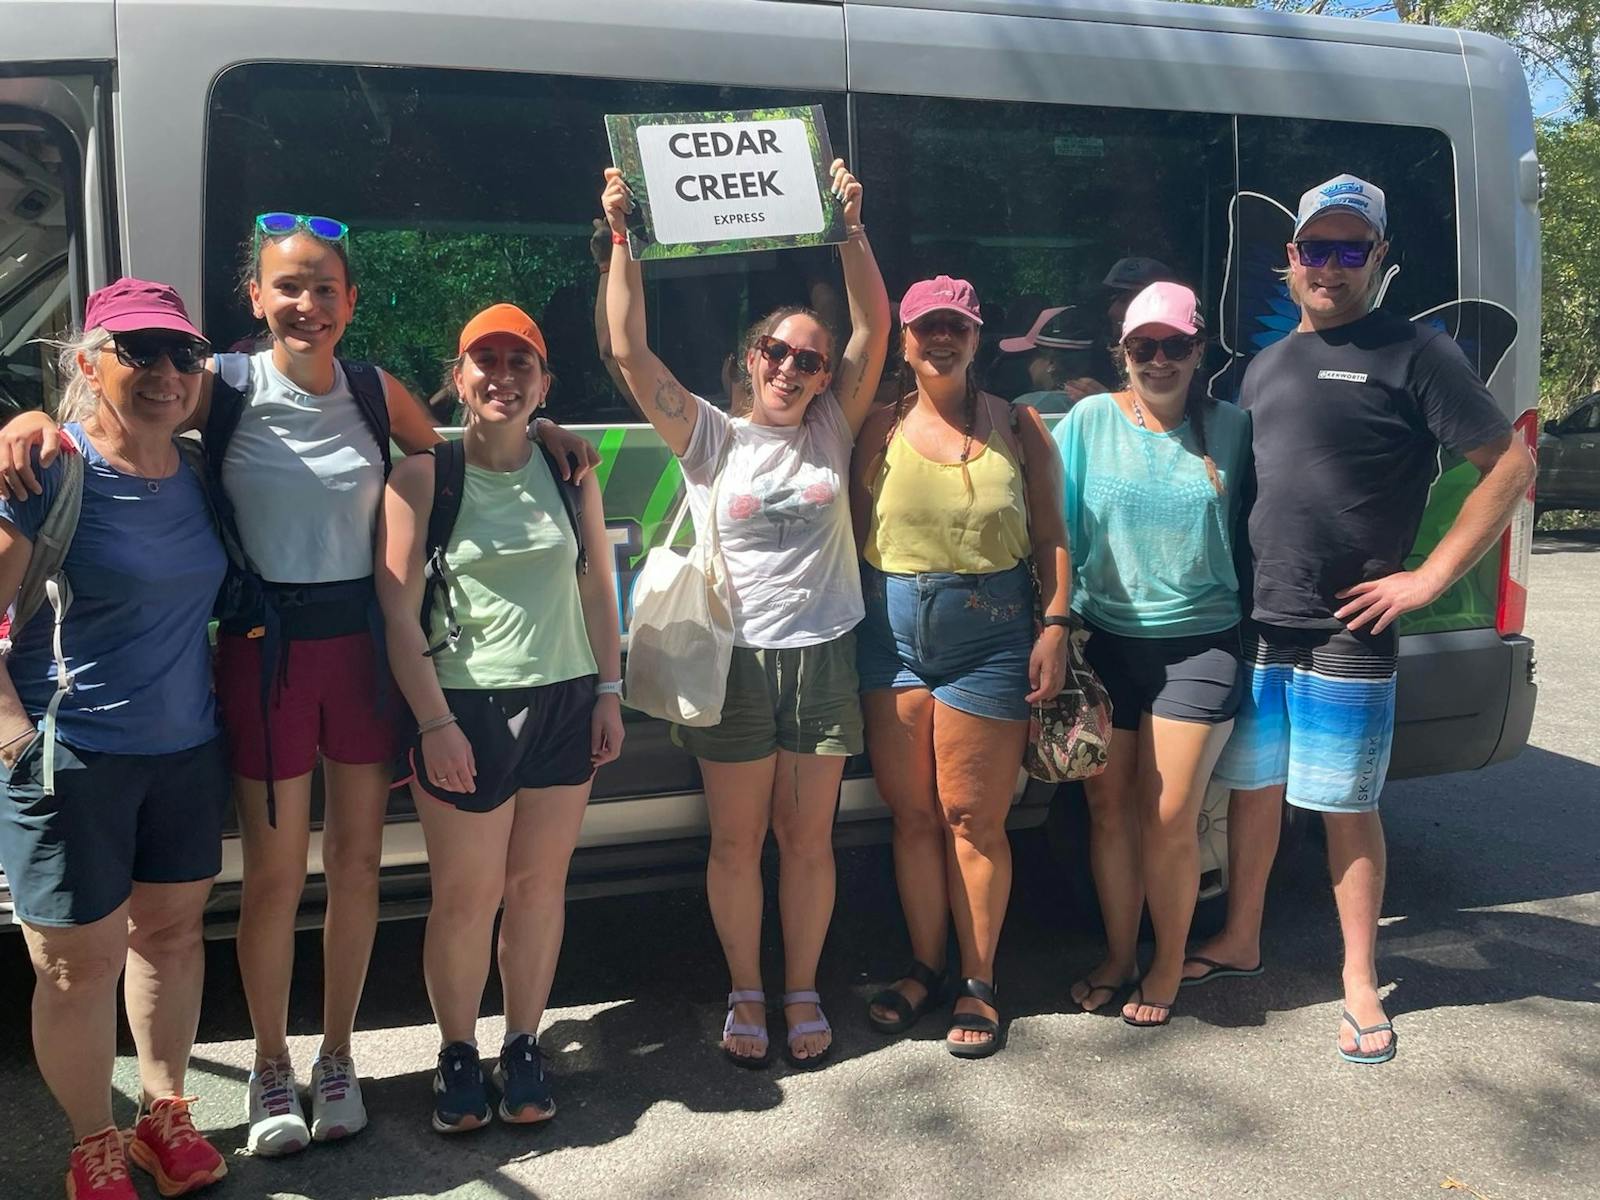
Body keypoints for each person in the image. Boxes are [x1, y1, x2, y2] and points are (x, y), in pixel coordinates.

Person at [0, 213, 599, 1156]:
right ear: (255, 296)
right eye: (288, 286)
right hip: (263, 654)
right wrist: (36, 418)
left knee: (357, 868)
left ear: (350, 302)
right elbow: (120, 413)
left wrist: (550, 425)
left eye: (325, 288)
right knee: (276, 878)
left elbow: (455, 447)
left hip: (359, 651)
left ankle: (338, 1055)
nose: (307, 304)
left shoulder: (373, 390)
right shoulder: (219, 385)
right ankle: (271, 1063)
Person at [1195, 175, 1535, 1062]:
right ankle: (1240, 938)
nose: (1331, 266)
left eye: (1352, 249)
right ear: (1291, 257)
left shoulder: (1416, 351)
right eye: (1317, 247)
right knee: (1254, 793)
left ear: (1379, 258)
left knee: (1346, 805)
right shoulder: (1264, 365)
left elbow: (1509, 464)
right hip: (1260, 620)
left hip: (1351, 627)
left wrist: (1429, 578)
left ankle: (1358, 979)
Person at [602, 159, 890, 1069]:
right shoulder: (710, 437)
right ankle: (745, 991)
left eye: (810, 360)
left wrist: (851, 228)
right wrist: (625, 237)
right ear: (750, 357)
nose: (792, 369)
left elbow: (875, 326)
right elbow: (627, 350)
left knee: (807, 843)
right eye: (778, 353)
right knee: (734, 842)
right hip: (731, 663)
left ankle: (801, 989)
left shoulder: (832, 427)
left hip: (822, 657)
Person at [0, 279, 229, 1199]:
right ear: (89, 364)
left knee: (170, 936)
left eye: (184, 353)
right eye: (138, 351)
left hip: (184, 749)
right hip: (72, 758)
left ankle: (163, 1115)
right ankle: (93, 1140)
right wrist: (12, 741)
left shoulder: (201, 469)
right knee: (75, 966)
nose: (166, 371)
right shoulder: (48, 472)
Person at [376, 302, 623, 1131]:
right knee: (467, 897)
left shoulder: (571, 473)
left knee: (538, 889)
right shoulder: (423, 478)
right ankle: (456, 1052)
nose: (503, 378)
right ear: (458, 379)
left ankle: (523, 1045)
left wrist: (609, 690)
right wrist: (433, 723)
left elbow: (597, 588)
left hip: (566, 700)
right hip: (466, 710)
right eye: (487, 362)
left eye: (522, 365)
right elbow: (397, 613)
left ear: (544, 385)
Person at [853, 276, 1069, 1059]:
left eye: (957, 327)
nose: (941, 340)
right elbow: (850, 537)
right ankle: (925, 968)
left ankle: (979, 980)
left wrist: (1055, 624)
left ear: (977, 338)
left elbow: (1051, 533)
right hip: (891, 639)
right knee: (912, 817)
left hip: (992, 635)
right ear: (904, 341)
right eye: (926, 328)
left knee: (973, 819)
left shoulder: (1017, 423)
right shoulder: (875, 428)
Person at [1052, 282, 1253, 1026]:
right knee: (1107, 810)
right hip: (1105, 642)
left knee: (1168, 815)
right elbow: (1057, 529)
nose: (1159, 359)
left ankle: (1167, 960)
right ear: (1123, 352)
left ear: (1199, 352)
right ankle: (1119, 955)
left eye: (1175, 346)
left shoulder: (1234, 428)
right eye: (1144, 346)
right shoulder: (1089, 421)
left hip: (1200, 644)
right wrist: (1053, 624)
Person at [998, 304, 1113, 413]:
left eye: (1031, 356)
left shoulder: (1026, 408)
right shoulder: (1111, 406)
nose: (1028, 365)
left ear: (1051, 363)